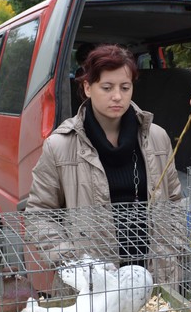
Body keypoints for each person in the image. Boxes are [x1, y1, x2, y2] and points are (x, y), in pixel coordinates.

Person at [27, 44, 182, 268]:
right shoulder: (60, 145)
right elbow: (38, 214)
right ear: (88, 87)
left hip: (156, 276)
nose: (117, 96)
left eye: (125, 87)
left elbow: (175, 202)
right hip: (94, 286)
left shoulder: (157, 137)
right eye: (107, 87)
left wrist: (172, 248)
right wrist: (73, 262)